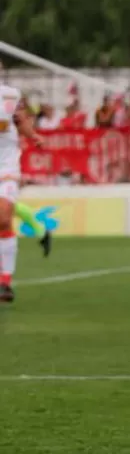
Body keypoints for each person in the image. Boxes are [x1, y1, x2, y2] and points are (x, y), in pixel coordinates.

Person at [0, 82, 40, 302]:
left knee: (4, 217)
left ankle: (5, 283)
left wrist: (33, 136)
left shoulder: (10, 95)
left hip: (6, 167)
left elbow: (20, 120)